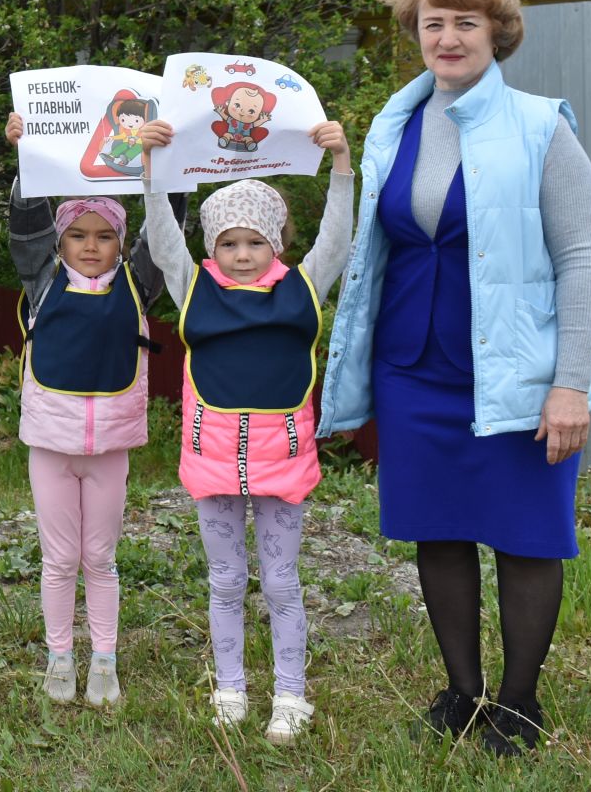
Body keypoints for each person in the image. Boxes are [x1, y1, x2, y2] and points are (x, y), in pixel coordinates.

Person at [319, 0, 591, 757]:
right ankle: (461, 693)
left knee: (526, 534)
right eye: (432, 22)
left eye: (464, 23)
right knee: (436, 530)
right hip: (414, 371)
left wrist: (569, 384)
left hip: (514, 372)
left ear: (497, 31)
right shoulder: (395, 121)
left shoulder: (542, 127)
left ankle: (518, 706)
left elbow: (581, 261)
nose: (447, 37)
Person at [139, 116, 354, 744]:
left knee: (282, 582)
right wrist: (152, 175)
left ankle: (291, 695)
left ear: (276, 245)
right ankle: (230, 686)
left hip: (281, 464)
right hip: (212, 463)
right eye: (228, 243)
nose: (241, 254)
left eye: (254, 242)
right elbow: (161, 244)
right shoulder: (192, 287)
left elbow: (338, 241)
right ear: (212, 248)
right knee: (226, 580)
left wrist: (341, 166)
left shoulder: (304, 287)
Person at [3, 113, 169, 706]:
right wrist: (26, 163)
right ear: (61, 241)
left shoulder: (137, 284)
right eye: (79, 235)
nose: (91, 246)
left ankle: (104, 659)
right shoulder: (43, 281)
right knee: (58, 560)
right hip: (50, 445)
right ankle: (59, 657)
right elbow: (24, 229)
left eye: (104, 237)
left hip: (110, 450)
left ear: (121, 244)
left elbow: (166, 234)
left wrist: (161, 165)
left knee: (100, 558)